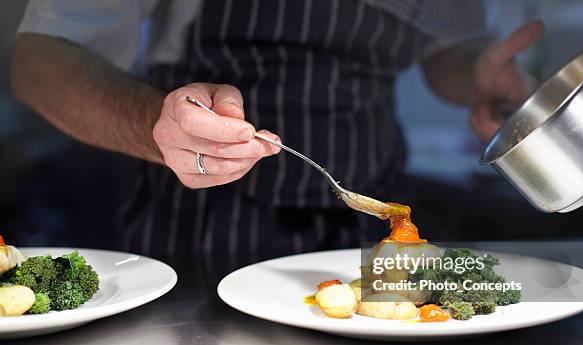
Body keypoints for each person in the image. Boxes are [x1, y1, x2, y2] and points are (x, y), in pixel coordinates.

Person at [11, 0, 543, 274]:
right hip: (200, 224)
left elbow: (446, 49)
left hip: (369, 222)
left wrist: (476, 72)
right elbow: (41, 59)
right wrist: (158, 123)